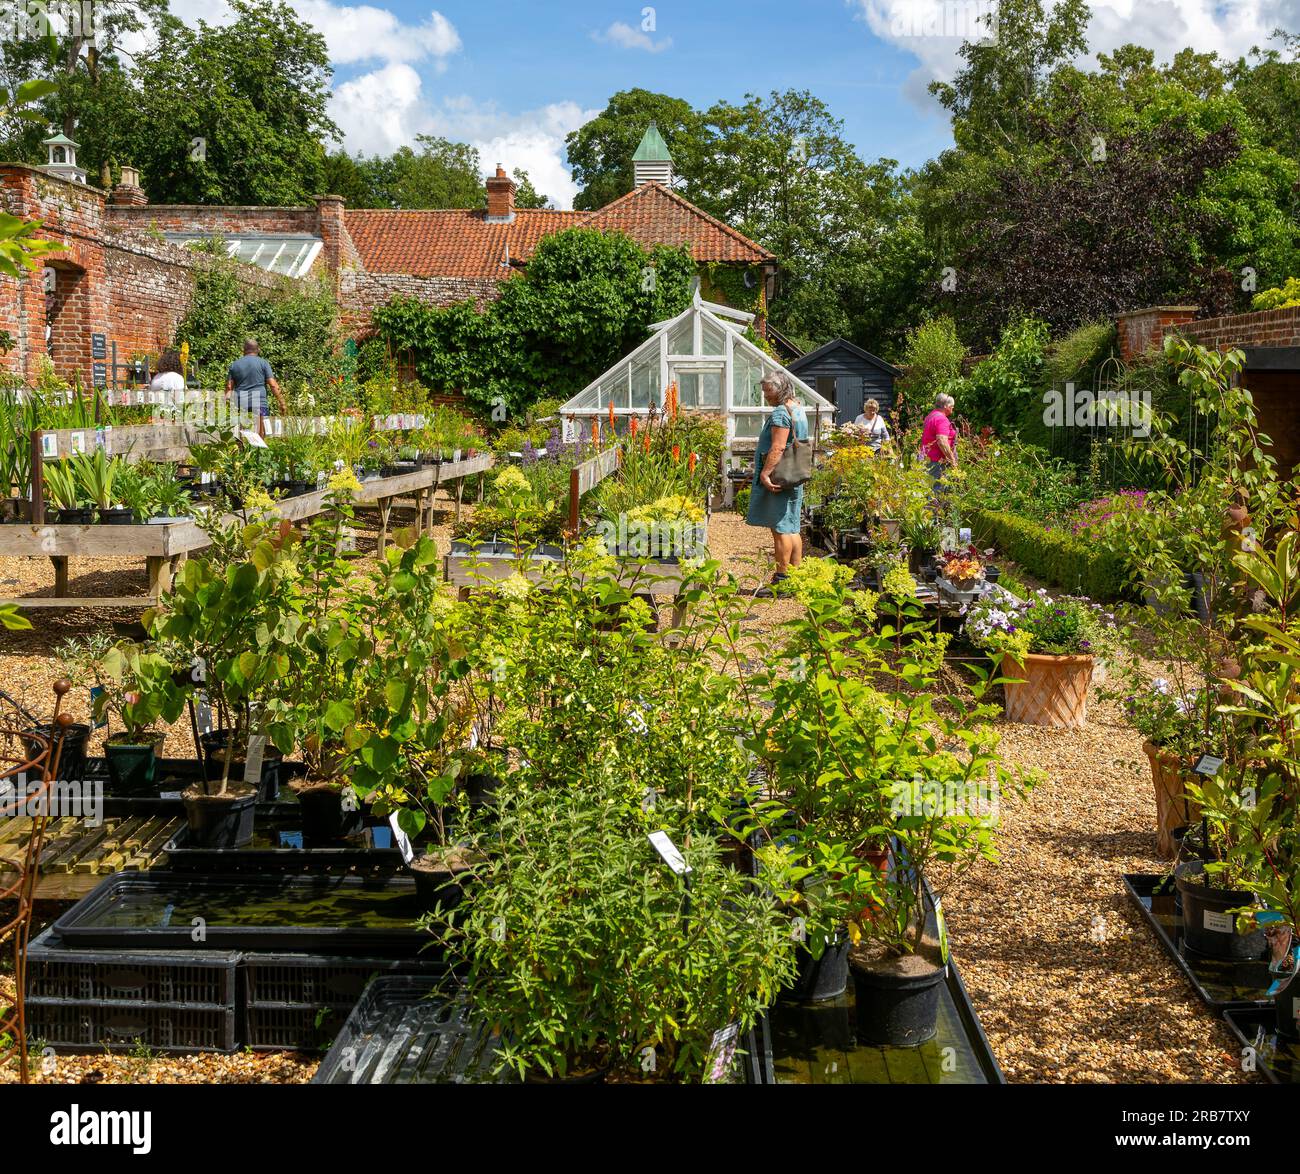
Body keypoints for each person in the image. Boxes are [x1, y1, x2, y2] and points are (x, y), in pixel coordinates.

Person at [746, 372, 808, 596]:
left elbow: (778, 447)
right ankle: (795, 578)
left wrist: (765, 473)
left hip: (780, 475)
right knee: (791, 525)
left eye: (768, 391)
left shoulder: (781, 413)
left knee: (780, 528)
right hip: (794, 473)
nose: (765, 396)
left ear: (780, 388)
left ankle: (782, 581)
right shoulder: (798, 408)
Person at [226, 338, 285, 423]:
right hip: (260, 404)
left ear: (244, 350)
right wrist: (282, 402)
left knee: (244, 432)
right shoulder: (263, 363)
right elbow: (273, 385)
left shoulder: (234, 365)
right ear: (258, 349)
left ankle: (243, 436)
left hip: (241, 404)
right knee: (261, 432)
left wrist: (226, 405)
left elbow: (229, 387)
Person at [921, 392, 958, 498]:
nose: (952, 409)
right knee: (936, 490)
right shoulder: (941, 419)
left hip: (928, 457)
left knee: (929, 488)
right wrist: (952, 459)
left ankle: (929, 513)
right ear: (945, 406)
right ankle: (934, 514)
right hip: (937, 460)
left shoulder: (931, 416)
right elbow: (942, 440)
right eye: (951, 407)